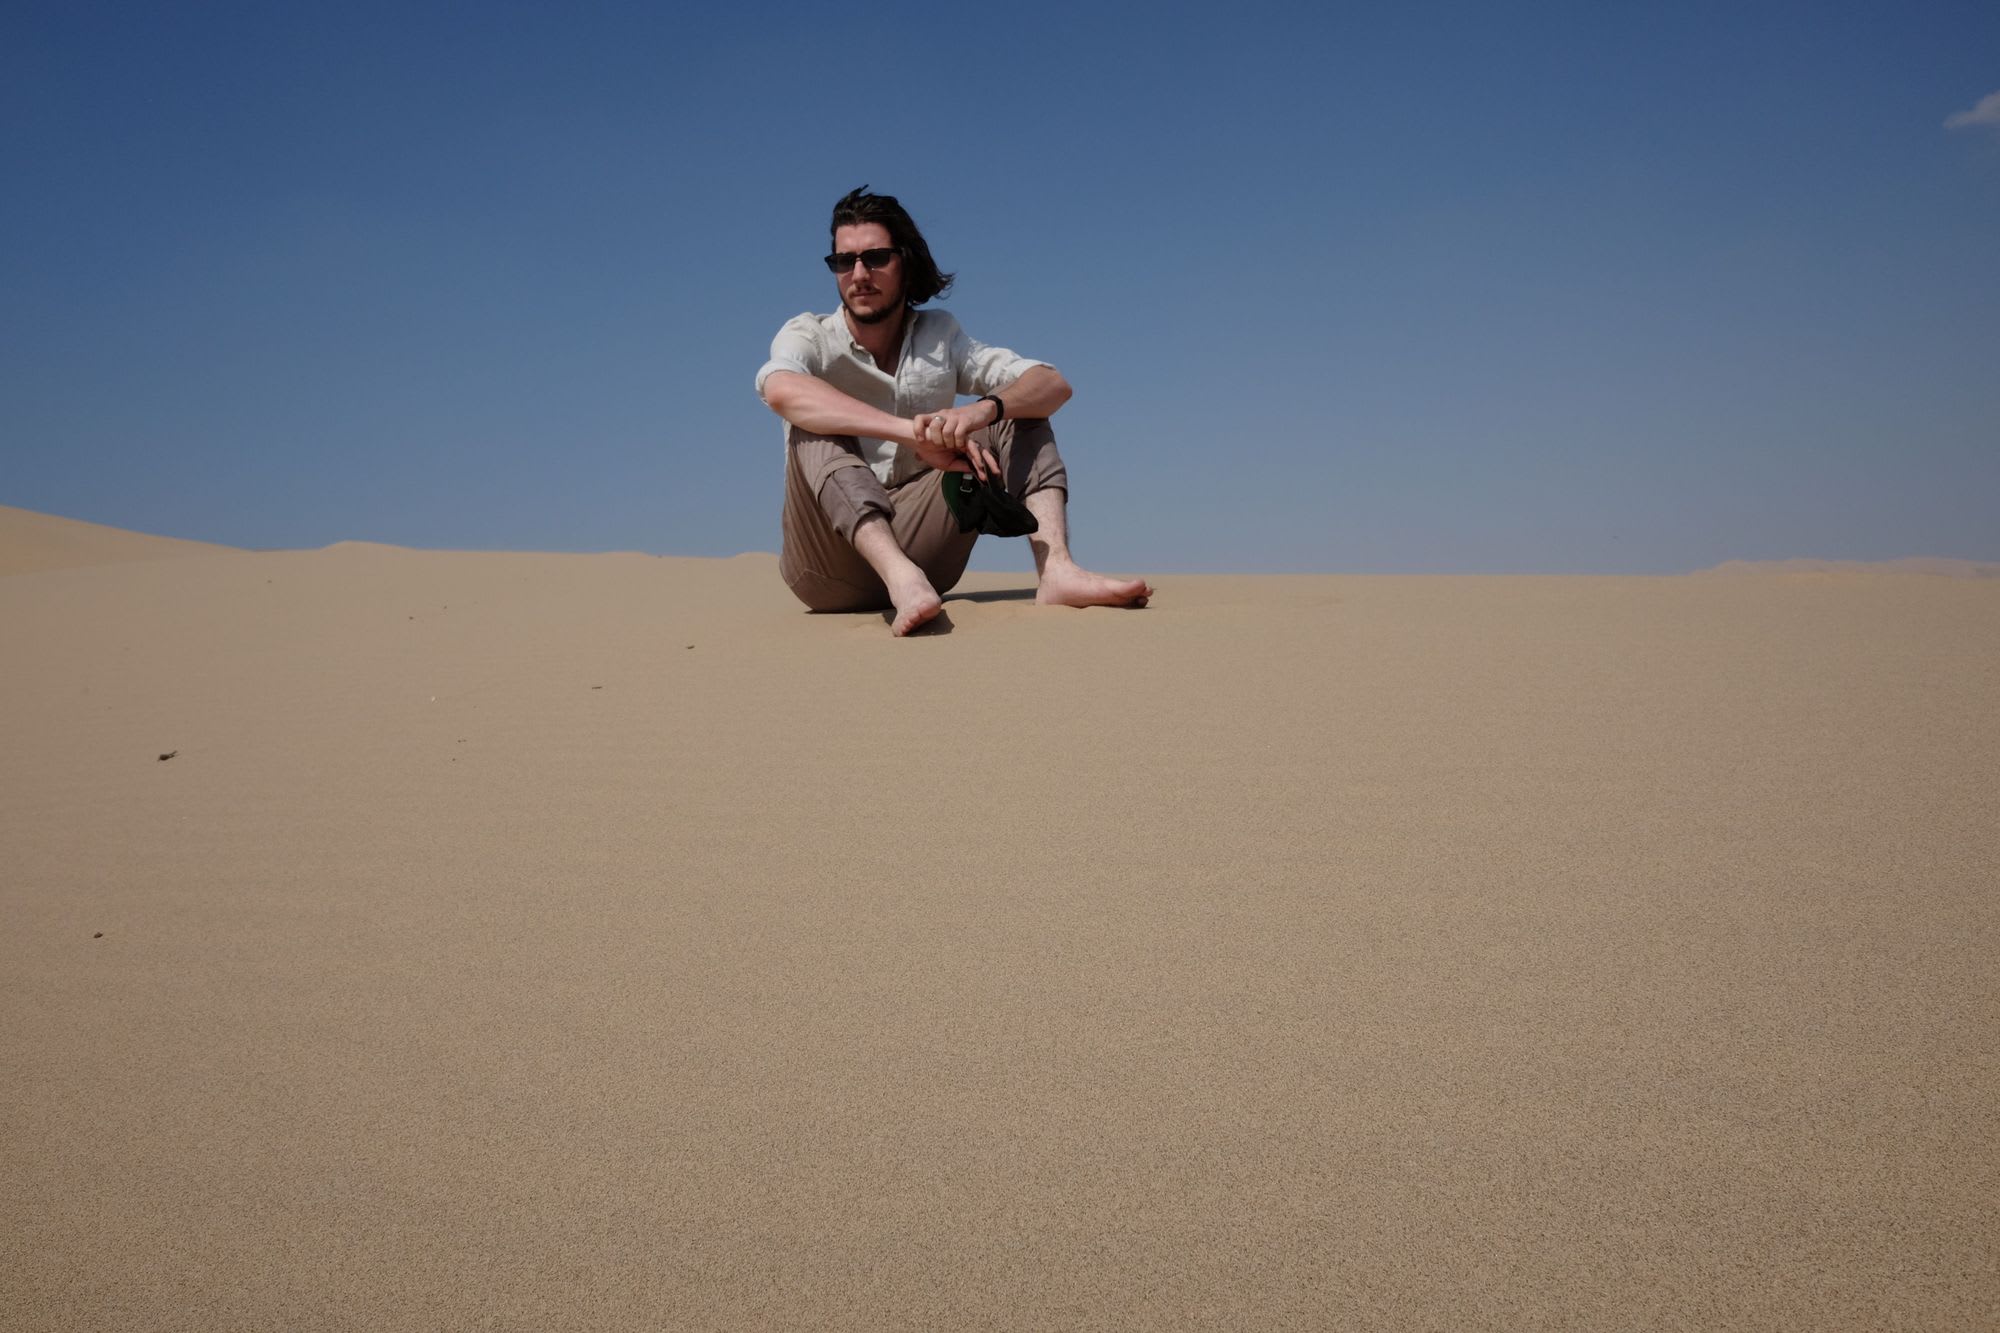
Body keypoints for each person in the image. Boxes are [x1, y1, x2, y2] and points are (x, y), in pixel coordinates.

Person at [755, 186, 1152, 636]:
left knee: (1019, 408)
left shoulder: (940, 336)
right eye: (844, 262)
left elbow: (1051, 383)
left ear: (906, 261)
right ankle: (899, 578)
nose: (859, 274)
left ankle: (1057, 570)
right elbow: (781, 390)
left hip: (925, 558)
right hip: (826, 569)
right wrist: (911, 433)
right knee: (812, 422)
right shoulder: (808, 334)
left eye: (876, 258)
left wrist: (981, 413)